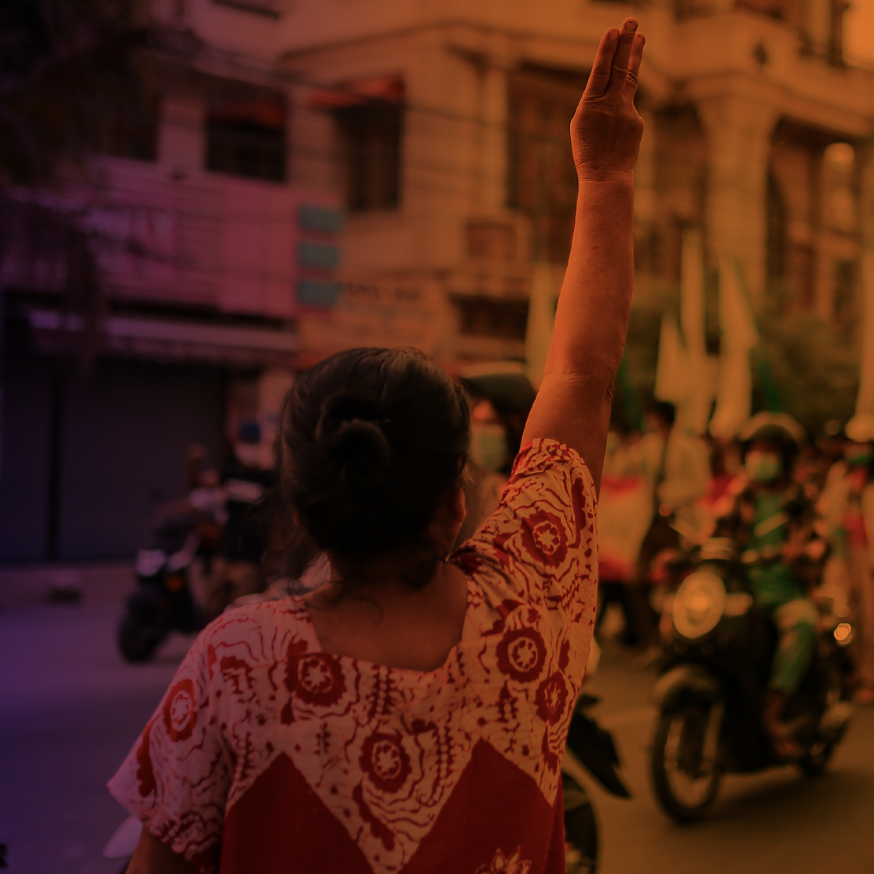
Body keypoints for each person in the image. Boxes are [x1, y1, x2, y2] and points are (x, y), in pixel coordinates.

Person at [109, 19, 646, 873]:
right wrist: (606, 178)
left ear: (306, 504)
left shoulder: (238, 660)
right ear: (453, 502)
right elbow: (582, 374)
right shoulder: (528, 616)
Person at [714, 413, 824, 757]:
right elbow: (712, 531)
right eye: (755, 450)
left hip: (786, 592)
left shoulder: (801, 497)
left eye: (769, 451)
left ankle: (773, 712)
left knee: (804, 623)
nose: (760, 458)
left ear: (786, 458)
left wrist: (802, 552)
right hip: (740, 591)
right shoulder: (740, 493)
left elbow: (820, 540)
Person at [625, 400, 710, 656]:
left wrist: (669, 495)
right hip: (651, 520)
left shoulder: (690, 446)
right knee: (634, 579)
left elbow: (700, 483)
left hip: (678, 521)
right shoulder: (648, 446)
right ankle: (647, 636)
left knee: (677, 578)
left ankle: (675, 639)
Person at [819, 413, 874, 705]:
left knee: (870, 618)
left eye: (863, 444)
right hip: (841, 551)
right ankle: (848, 674)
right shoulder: (839, 474)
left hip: (868, 556)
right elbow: (829, 514)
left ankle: (869, 678)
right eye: (853, 443)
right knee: (841, 614)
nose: (857, 449)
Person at [203, 420, 275, 619]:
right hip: (225, 556)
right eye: (245, 442)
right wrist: (192, 462)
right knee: (211, 609)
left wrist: (271, 557)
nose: (248, 448)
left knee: (240, 617)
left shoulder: (268, 478)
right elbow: (199, 484)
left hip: (251, 561)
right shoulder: (230, 473)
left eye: (252, 443)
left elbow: (276, 519)